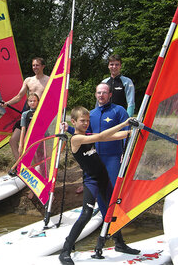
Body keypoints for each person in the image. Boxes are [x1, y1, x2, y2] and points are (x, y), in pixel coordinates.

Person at [58, 106, 139, 265]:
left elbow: (112, 136)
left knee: (112, 210)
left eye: (88, 120)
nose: (86, 123)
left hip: (104, 178)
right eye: (82, 121)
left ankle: (119, 243)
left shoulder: (87, 135)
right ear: (73, 121)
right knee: (87, 214)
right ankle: (65, 250)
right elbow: (102, 136)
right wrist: (125, 124)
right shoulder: (76, 139)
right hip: (92, 181)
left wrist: (133, 131)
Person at [2, 57, 49, 160]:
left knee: (37, 147)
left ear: (43, 66)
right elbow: (19, 96)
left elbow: (54, 99)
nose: (35, 67)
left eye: (37, 65)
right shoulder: (28, 80)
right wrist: (7, 103)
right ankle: (19, 166)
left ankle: (40, 168)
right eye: (33, 65)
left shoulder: (49, 80)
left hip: (39, 117)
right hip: (26, 115)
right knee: (13, 140)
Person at [18, 92, 40, 157]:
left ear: (38, 102)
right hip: (28, 139)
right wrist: (21, 144)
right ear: (28, 102)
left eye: (34, 101)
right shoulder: (25, 114)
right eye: (31, 101)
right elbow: (23, 129)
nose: (32, 103)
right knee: (31, 156)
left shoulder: (40, 113)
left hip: (39, 139)